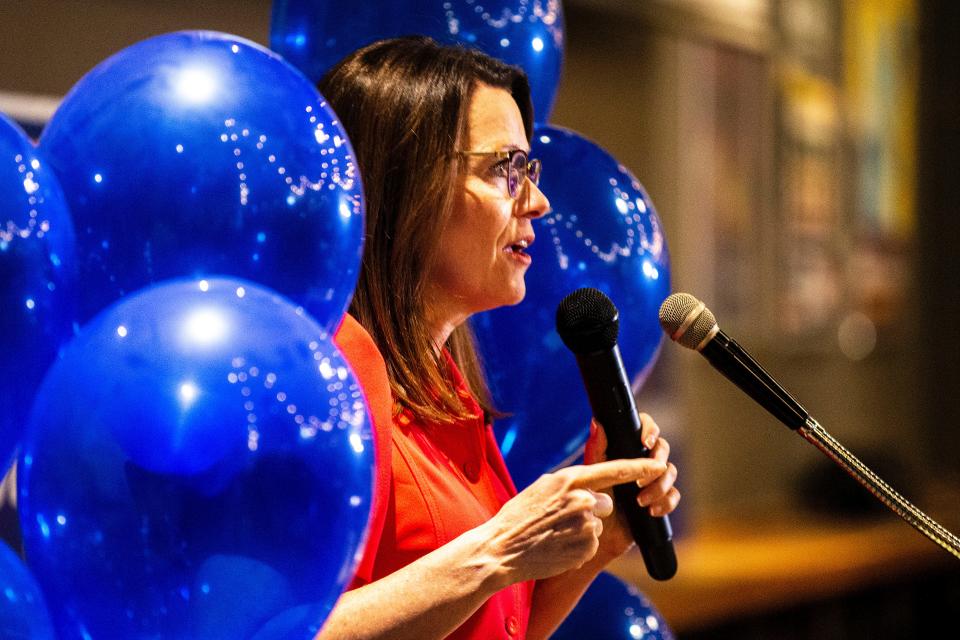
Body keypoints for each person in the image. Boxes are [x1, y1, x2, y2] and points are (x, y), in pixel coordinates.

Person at [322, 36, 680, 640]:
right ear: (406, 181)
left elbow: (491, 626)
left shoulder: (445, 388)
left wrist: (603, 538)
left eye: (528, 170)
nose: (537, 201)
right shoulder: (336, 371)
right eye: (503, 169)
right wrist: (501, 548)